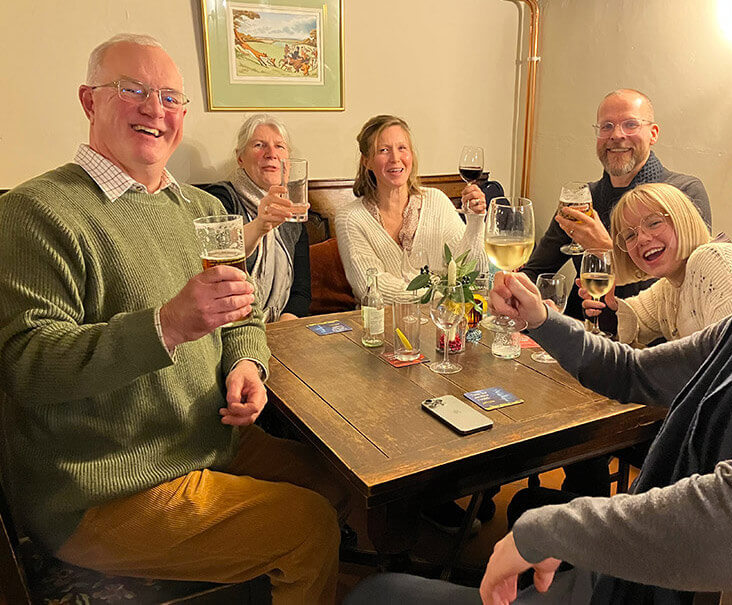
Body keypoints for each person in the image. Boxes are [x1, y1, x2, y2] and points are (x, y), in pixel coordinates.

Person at [344, 98, 732, 604]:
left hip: (660, 587)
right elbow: (634, 371)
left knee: (377, 594)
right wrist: (542, 320)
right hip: (646, 571)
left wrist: (552, 528)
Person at [0, 34, 348, 604]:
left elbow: (244, 315)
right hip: (103, 488)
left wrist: (250, 366)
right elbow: (27, 368)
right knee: (307, 528)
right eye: (132, 90)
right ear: (90, 102)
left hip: (208, 439)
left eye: (170, 97)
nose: (154, 109)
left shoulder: (206, 211)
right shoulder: (35, 213)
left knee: (340, 480)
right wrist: (166, 326)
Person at [522, 88, 711, 332]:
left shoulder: (683, 193)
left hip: (650, 348)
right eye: (607, 126)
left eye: (630, 124)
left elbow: (685, 293)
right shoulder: (581, 200)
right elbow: (537, 271)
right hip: (579, 335)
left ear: (653, 133)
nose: (617, 135)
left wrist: (605, 251)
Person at [584, 182, 732, 346]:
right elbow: (635, 320)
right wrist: (608, 310)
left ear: (683, 220)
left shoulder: (713, 259)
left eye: (654, 223)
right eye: (630, 236)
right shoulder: (670, 285)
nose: (642, 239)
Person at [335, 114, 489, 303]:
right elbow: (372, 288)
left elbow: (472, 271)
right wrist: (445, 294)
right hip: (381, 327)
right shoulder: (350, 218)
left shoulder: (437, 201)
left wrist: (475, 221)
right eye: (383, 150)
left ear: (412, 155)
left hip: (443, 324)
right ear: (366, 161)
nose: (395, 158)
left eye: (402, 148)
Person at [204, 114, 311, 322]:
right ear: (240, 157)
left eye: (280, 147)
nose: (271, 154)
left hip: (281, 329)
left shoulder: (294, 209)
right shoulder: (220, 198)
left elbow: (301, 292)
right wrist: (261, 225)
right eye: (259, 145)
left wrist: (283, 331)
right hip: (233, 328)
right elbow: (218, 264)